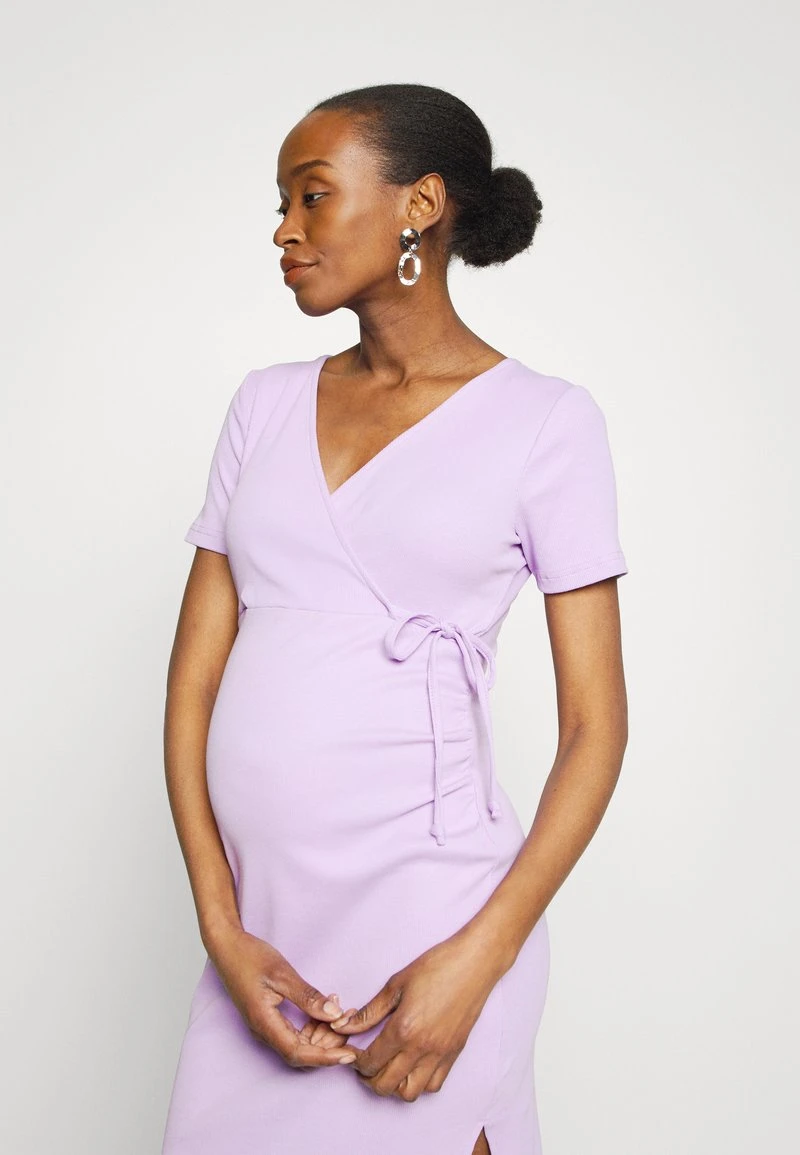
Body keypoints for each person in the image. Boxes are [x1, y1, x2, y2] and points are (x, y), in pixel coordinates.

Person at [161, 83, 629, 1155]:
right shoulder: (263, 405)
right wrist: (221, 927)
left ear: (419, 204)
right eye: (280, 203)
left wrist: (479, 960)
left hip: (438, 924)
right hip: (263, 933)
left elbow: (594, 730)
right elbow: (191, 688)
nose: (284, 231)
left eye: (312, 196)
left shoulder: (546, 424)